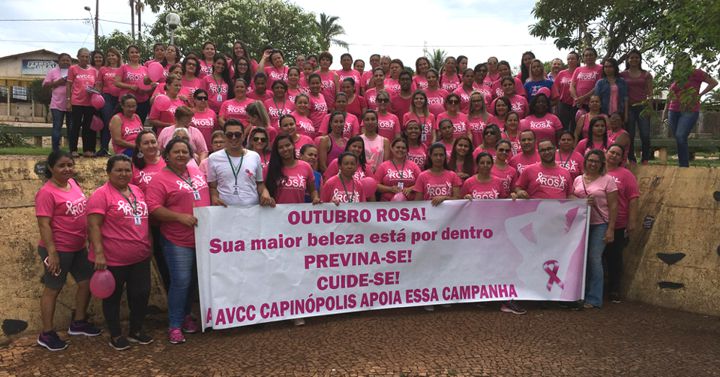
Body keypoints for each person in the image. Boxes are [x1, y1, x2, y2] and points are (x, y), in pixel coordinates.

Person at [145, 138, 211, 344]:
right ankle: (174, 325)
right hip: (177, 239)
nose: (181, 155)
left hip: (201, 238)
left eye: (185, 151)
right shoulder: (159, 179)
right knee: (180, 281)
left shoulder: (196, 172)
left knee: (193, 282)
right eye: (177, 152)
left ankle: (186, 316)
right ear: (167, 155)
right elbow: (153, 207)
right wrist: (179, 217)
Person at [35, 151, 101, 351]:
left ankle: (78, 322)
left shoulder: (73, 184)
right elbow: (44, 224)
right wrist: (52, 252)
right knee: (53, 289)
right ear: (51, 168)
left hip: (78, 247)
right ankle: (46, 333)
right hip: (58, 249)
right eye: (62, 166)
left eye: (70, 165)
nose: (67, 169)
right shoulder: (46, 192)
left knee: (87, 282)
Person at [87, 155, 153, 350]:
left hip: (140, 256)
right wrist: (99, 253)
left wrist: (149, 244)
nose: (124, 174)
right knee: (112, 297)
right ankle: (115, 334)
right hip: (112, 259)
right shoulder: (101, 195)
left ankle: (136, 330)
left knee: (141, 294)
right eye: (119, 170)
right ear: (108, 172)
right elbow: (93, 226)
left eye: (127, 170)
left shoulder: (137, 191)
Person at [570, 150, 618, 309]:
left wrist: (611, 228)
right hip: (580, 224)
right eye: (590, 160)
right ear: (585, 162)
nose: (593, 164)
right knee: (580, 259)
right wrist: (580, 201)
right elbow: (571, 198)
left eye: (596, 161)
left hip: (600, 224)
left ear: (601, 164)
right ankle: (579, 293)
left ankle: (595, 297)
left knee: (594, 258)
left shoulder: (608, 180)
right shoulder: (577, 179)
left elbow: (613, 205)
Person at [662, 52, 718, 167]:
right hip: (673, 110)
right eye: (678, 61)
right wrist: (665, 111)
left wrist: (700, 94)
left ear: (688, 61)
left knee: (680, 136)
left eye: (683, 60)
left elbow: (714, 82)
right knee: (679, 137)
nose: (681, 63)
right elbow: (670, 95)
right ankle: (683, 163)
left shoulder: (696, 73)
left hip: (690, 110)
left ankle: (683, 165)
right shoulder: (675, 76)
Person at [207, 119, 271, 207]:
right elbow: (213, 187)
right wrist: (214, 197)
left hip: (251, 209)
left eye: (237, 134)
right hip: (225, 210)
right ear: (224, 137)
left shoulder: (254, 156)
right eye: (229, 135)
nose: (233, 138)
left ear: (243, 136)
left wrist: (265, 192)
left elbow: (259, 183)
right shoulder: (213, 158)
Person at [604, 144, 639, 303]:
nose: (613, 156)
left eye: (618, 154)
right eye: (612, 152)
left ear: (621, 158)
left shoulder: (626, 175)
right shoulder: (595, 170)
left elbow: (633, 198)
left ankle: (614, 288)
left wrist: (632, 220)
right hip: (595, 221)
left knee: (615, 256)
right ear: (606, 152)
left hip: (618, 221)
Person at [620, 49, 653, 165]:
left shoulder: (646, 74)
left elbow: (650, 93)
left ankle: (645, 158)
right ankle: (631, 158)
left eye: (636, 57)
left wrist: (650, 108)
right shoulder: (622, 75)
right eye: (631, 58)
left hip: (643, 107)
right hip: (629, 107)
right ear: (628, 60)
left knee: (645, 133)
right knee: (630, 134)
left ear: (640, 59)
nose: (634, 60)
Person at [65, 47, 99, 157]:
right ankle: (73, 149)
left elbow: (97, 86)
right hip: (76, 102)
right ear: (78, 57)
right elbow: (69, 85)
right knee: (75, 126)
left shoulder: (94, 70)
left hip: (90, 103)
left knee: (88, 127)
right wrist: (68, 100)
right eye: (82, 56)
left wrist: (95, 91)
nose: (85, 58)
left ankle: (87, 150)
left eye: (87, 56)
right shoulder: (73, 69)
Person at [115, 45, 155, 123]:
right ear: (128, 55)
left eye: (136, 52)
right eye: (132, 52)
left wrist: (148, 89)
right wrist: (130, 86)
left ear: (139, 54)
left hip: (142, 102)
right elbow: (116, 82)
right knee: (124, 123)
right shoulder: (123, 67)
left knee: (139, 124)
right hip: (127, 102)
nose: (134, 54)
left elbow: (148, 86)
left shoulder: (145, 69)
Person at [43, 52, 73, 152]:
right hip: (57, 104)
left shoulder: (73, 71)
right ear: (58, 61)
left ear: (71, 62)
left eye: (67, 60)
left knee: (71, 128)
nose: (65, 62)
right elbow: (45, 85)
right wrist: (57, 82)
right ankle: (55, 150)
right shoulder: (53, 72)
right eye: (63, 60)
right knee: (57, 126)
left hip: (72, 104)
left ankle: (72, 149)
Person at [96, 48, 122, 156]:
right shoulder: (103, 69)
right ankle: (104, 148)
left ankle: (119, 149)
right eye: (109, 55)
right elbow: (99, 84)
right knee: (107, 122)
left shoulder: (122, 68)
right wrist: (97, 96)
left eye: (113, 55)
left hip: (120, 98)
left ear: (118, 57)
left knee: (119, 123)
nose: (111, 57)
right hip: (106, 97)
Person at [552, 51, 580, 132]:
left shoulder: (580, 72)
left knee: (575, 127)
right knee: (563, 127)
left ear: (577, 61)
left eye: (573, 59)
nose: (570, 61)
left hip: (577, 104)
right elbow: (555, 88)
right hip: (563, 104)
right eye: (568, 59)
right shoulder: (562, 73)